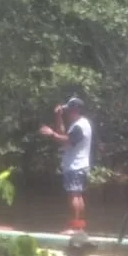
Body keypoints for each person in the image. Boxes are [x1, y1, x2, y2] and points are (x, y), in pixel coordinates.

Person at [39, 97, 92, 231]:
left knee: (73, 196)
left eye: (69, 110)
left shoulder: (80, 125)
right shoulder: (77, 124)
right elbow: (62, 133)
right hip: (78, 166)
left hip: (76, 166)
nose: (67, 112)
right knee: (77, 195)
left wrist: (51, 134)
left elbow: (67, 140)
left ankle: (75, 228)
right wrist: (58, 117)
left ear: (77, 110)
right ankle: (78, 226)